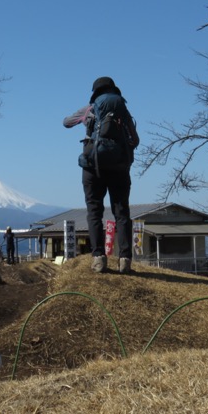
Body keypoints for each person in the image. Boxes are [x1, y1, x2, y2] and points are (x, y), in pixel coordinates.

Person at [64, 76, 139, 274]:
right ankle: (125, 261)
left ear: (95, 93)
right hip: (119, 169)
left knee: (94, 211)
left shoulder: (89, 109)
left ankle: (98, 259)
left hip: (92, 166)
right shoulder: (123, 110)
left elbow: (66, 122)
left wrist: (84, 120)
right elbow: (135, 140)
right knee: (122, 213)